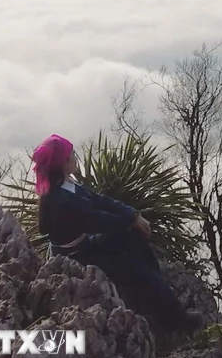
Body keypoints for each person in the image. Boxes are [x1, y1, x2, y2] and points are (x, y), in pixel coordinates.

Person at [32, 133, 203, 333]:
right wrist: (130, 223)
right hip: (76, 257)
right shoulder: (58, 200)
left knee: (134, 241)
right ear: (63, 162)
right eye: (72, 155)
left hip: (83, 245)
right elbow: (97, 220)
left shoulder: (67, 186)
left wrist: (133, 216)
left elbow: (100, 200)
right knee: (136, 269)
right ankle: (176, 319)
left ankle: (159, 288)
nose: (76, 158)